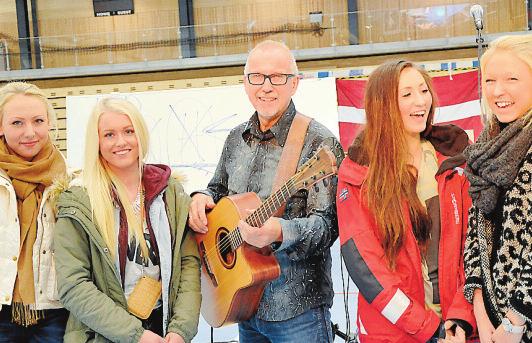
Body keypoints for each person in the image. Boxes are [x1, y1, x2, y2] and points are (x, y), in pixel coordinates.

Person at [188, 40, 344, 342]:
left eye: (278, 77)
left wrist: (280, 232)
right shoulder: (235, 139)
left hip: (298, 309)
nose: (266, 87)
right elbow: (217, 190)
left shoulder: (318, 142)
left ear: (294, 83)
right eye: (257, 77)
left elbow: (329, 227)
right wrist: (201, 197)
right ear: (245, 84)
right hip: (245, 303)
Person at [337, 60, 477, 343]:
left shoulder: (454, 160)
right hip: (395, 332)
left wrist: (460, 316)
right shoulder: (358, 173)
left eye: (424, 91)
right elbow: (367, 269)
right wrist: (428, 327)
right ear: (383, 104)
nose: (420, 101)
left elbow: (471, 244)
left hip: (457, 327)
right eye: (407, 94)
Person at [53, 97, 201, 342]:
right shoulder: (80, 201)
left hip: (163, 330)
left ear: (140, 134)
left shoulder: (170, 194)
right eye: (109, 135)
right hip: (102, 334)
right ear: (97, 142)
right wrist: (137, 336)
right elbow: (74, 286)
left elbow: (188, 265)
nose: (121, 142)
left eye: (128, 131)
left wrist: (180, 330)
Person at [463, 34, 531, 343]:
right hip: (493, 322)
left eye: (511, 79)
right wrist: (479, 304)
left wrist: (517, 317)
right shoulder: (485, 147)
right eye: (489, 80)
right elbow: (474, 237)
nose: (497, 91)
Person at [0, 82, 69, 342]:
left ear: (49, 123)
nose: (30, 132)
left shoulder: (70, 180)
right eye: (17, 123)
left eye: (38, 120)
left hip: (54, 311)